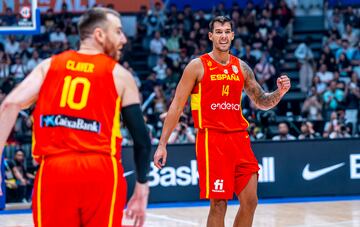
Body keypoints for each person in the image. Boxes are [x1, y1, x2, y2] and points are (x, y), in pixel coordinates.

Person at [0, 7, 151, 227]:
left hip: (54, 171)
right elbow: (142, 141)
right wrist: (142, 187)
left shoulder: (48, 66)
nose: (124, 39)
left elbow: (9, 104)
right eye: (118, 31)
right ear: (99, 35)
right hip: (100, 170)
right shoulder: (120, 74)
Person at [154, 16, 291, 227]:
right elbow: (176, 106)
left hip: (239, 139)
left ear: (233, 35)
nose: (223, 35)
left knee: (250, 201)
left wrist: (280, 92)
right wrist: (162, 144)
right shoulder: (197, 66)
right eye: (219, 32)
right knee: (219, 204)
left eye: (227, 31)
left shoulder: (242, 67)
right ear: (211, 36)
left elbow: (262, 101)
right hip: (212, 139)